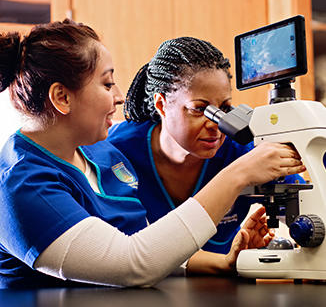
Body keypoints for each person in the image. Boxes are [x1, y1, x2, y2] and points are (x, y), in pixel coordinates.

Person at [0, 21, 305, 289]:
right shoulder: (20, 188)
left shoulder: (102, 153)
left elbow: (143, 241)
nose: (119, 96)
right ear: (62, 97)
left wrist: (222, 263)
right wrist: (239, 174)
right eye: (107, 83)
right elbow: (130, 263)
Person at [108, 36, 305, 255]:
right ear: (162, 104)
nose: (216, 124)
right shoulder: (117, 150)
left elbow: (305, 202)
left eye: (225, 108)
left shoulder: (242, 149)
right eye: (199, 109)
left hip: (226, 283)